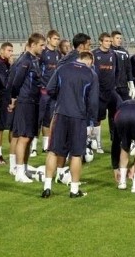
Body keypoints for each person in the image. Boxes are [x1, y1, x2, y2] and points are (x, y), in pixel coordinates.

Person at [41, 51, 98, 199]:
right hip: (78, 117)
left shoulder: (62, 68)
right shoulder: (91, 74)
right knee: (76, 154)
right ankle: (73, 190)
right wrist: (91, 122)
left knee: (53, 151)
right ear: (90, 61)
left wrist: (61, 98)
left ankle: (47, 187)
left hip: (60, 114)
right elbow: (93, 102)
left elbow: (49, 89)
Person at [8, 33, 46, 183]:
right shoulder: (25, 61)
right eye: (41, 45)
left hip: (34, 101)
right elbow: (16, 82)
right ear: (32, 45)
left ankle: (23, 167)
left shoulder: (34, 60)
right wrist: (14, 98)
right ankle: (18, 172)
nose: (43, 48)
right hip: (26, 102)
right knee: (23, 137)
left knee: (30, 136)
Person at [93, 32, 122, 154]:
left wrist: (114, 84)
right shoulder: (94, 54)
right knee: (98, 119)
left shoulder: (113, 54)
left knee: (118, 114)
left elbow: (116, 71)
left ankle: (117, 141)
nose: (109, 43)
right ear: (100, 41)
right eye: (106, 41)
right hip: (99, 92)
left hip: (111, 91)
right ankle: (97, 144)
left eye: (110, 41)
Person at [34, 30, 62, 157]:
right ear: (49, 39)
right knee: (38, 119)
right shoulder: (43, 53)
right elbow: (37, 70)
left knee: (48, 119)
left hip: (53, 92)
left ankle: (46, 146)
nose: (57, 41)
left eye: (58, 39)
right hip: (43, 91)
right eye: (55, 38)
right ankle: (33, 147)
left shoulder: (58, 54)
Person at [111, 30, 135, 102]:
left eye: (120, 38)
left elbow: (128, 69)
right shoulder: (109, 51)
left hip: (124, 86)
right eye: (117, 38)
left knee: (126, 107)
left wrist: (131, 83)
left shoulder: (124, 52)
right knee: (113, 109)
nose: (119, 40)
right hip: (113, 86)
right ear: (112, 39)